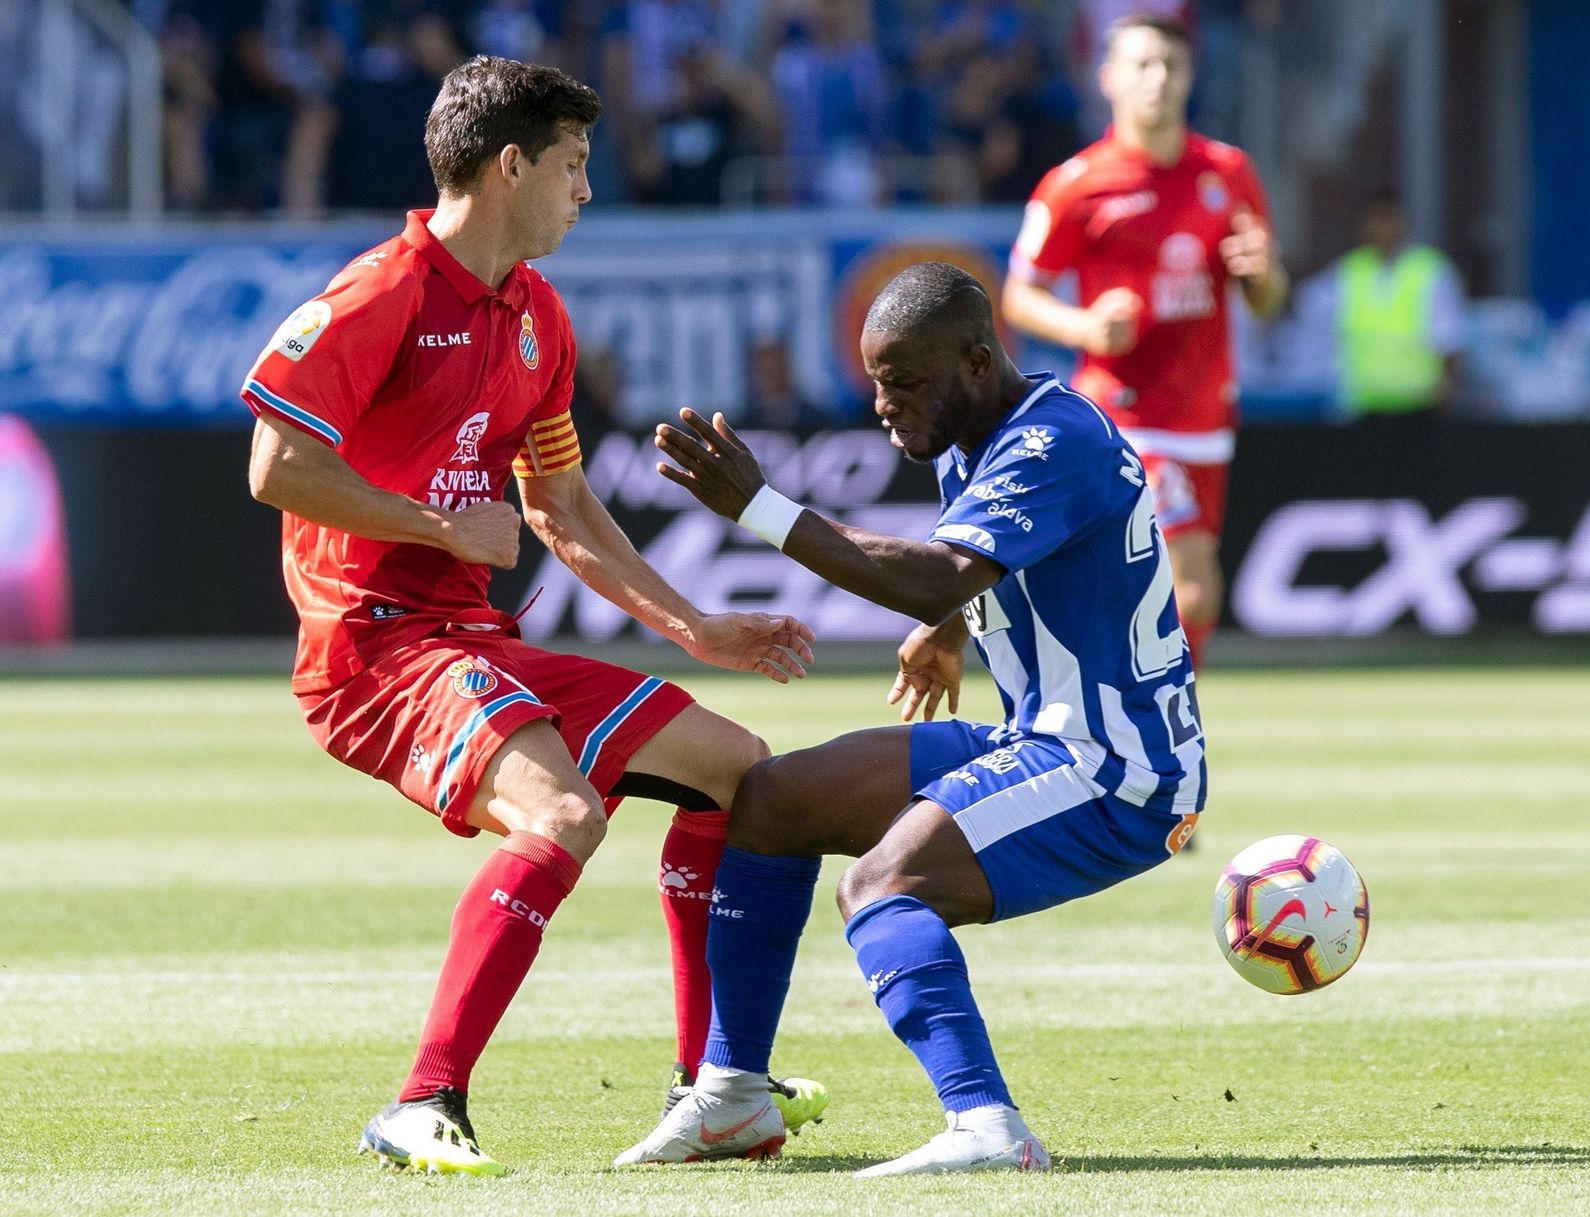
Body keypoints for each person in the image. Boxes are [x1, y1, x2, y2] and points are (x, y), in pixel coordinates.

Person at [241, 56, 824, 1177]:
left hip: (470, 642)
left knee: (741, 774)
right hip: (371, 646)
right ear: (511, 165)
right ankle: (421, 1100)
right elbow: (275, 463)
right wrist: (438, 526)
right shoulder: (382, 292)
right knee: (561, 815)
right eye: (573, 164)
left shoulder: (537, 318)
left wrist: (694, 624)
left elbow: (556, 502)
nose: (586, 191)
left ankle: (717, 1089)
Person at [615, 262, 1206, 1174]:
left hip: (1114, 768)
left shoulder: (1052, 440)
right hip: (1044, 737)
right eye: (876, 381)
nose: (884, 405)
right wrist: (947, 626)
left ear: (975, 363)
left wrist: (762, 508)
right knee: (776, 799)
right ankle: (731, 1092)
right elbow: (988, 570)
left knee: (883, 886)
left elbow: (936, 570)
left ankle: (987, 1127)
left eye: (904, 382)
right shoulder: (982, 430)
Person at [1001, 13, 1287, 671]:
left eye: (1171, 65)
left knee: (1161, 597)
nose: (1157, 80)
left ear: (1190, 76)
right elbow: (1018, 295)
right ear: (1108, 79)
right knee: (1193, 583)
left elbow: (1268, 300)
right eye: (1141, 65)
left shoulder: (1229, 172)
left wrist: (1264, 272)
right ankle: (1163, 745)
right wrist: (1085, 326)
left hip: (1206, 415)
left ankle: (1127, 732)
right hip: (1125, 414)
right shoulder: (1078, 184)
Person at [1300, 188, 1467, 425]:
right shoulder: (1349, 271)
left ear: (1403, 221)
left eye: (1388, 218)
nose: (1382, 228)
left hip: (1419, 406)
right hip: (1363, 407)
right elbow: (1305, 307)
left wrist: (1447, 386)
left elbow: (1450, 338)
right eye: (1374, 219)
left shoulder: (1431, 271)